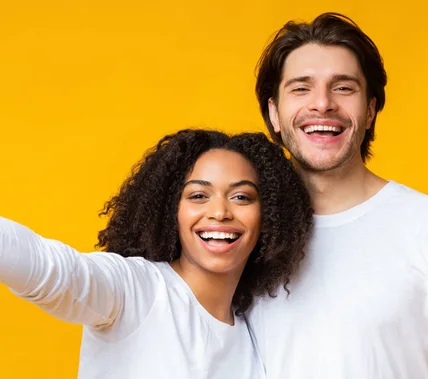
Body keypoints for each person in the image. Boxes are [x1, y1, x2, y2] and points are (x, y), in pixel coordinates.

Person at [248, 12, 428, 378]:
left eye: (343, 87)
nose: (322, 104)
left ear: (370, 110)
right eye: (301, 88)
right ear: (274, 113)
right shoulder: (239, 231)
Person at [0, 129, 313, 379]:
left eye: (241, 196)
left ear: (269, 215)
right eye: (198, 195)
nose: (219, 212)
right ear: (171, 210)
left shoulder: (256, 338)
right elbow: (51, 270)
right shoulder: (137, 289)